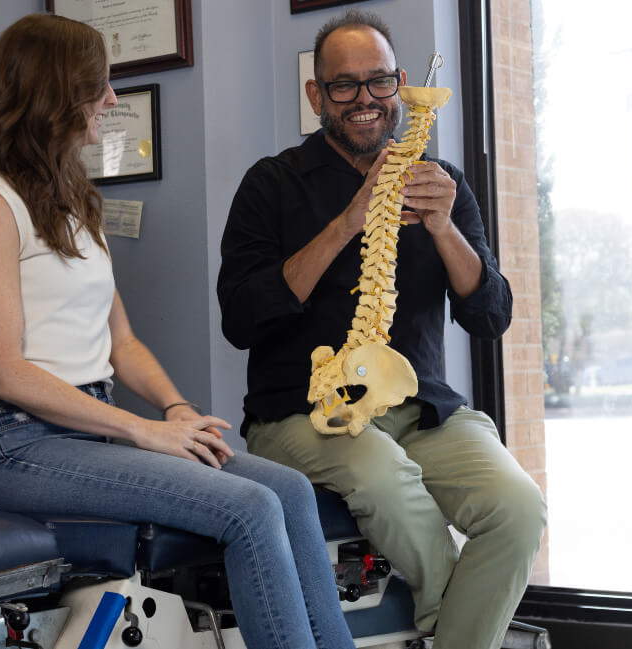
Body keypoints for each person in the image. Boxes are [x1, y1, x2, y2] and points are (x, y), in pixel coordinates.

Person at [0, 14, 356, 649]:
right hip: (17, 444)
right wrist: (143, 430)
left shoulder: (75, 200)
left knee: (290, 490)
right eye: (99, 86)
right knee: (249, 508)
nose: (111, 99)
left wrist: (176, 409)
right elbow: (4, 370)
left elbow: (121, 342)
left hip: (91, 431)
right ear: (55, 93)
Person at [216, 10, 547, 649]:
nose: (366, 100)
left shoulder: (442, 181)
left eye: (380, 82)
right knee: (383, 480)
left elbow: (491, 316)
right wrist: (348, 222)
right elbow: (241, 319)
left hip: (422, 410)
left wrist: (445, 227)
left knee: (518, 508)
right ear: (317, 96)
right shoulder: (271, 184)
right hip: (302, 413)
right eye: (344, 85)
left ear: (401, 83)